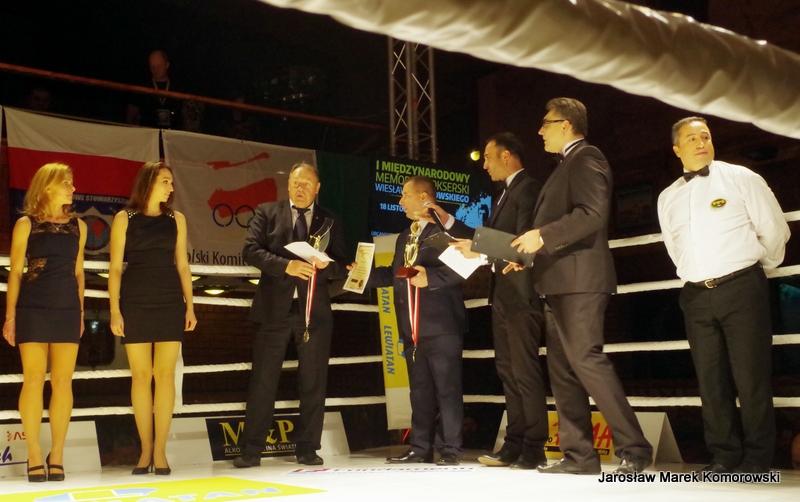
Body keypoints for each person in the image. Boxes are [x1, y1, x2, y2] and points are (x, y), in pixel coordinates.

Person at [511, 98, 653, 474]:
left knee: (587, 360)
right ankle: (579, 455)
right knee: (563, 370)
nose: (540, 131)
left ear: (566, 124)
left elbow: (591, 214)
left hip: (580, 281)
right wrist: (528, 254)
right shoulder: (565, 164)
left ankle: (635, 448)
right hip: (558, 281)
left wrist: (542, 235)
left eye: (545, 124)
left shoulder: (588, 157)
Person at [657, 117, 790, 474]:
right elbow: (674, 247)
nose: (701, 142)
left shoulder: (741, 177)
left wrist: (754, 268)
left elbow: (774, 230)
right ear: (677, 149)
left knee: (751, 376)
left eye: (706, 136)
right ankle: (723, 455)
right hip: (695, 295)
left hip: (742, 287)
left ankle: (758, 458)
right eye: (691, 138)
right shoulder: (668, 197)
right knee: (710, 380)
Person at [233, 162, 347, 468]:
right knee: (263, 380)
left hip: (315, 312)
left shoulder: (330, 220)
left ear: (317, 188)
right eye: (296, 182)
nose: (301, 187)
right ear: (288, 185)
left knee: (314, 381)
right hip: (273, 309)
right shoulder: (267, 212)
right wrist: (287, 266)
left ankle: (308, 448)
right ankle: (251, 449)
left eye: (307, 183)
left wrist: (328, 265)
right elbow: (250, 250)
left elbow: (342, 265)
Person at [451, 133, 548, 469]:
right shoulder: (503, 194)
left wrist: (478, 248)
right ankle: (513, 444)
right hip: (503, 295)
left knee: (525, 371)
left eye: (488, 157)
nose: (485, 165)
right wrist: (474, 246)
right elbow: (497, 241)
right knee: (507, 371)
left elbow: (522, 243)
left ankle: (534, 447)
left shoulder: (529, 189)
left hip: (521, 293)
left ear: (507, 156)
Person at [361, 176, 472, 466]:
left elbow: (465, 264)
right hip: (411, 326)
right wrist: (360, 274)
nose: (400, 201)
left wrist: (430, 278)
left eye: (405, 195)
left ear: (424, 197)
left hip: (442, 324)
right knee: (419, 391)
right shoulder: (405, 236)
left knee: (447, 389)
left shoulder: (446, 230)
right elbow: (395, 274)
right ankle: (419, 448)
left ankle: (450, 449)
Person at [108, 162, 197, 476]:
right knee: (141, 376)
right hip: (135, 299)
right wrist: (115, 309)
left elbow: (183, 265)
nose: (171, 188)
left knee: (166, 375)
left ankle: (160, 450)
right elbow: (115, 268)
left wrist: (190, 306)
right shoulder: (124, 218)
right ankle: (145, 448)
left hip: (169, 299)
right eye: (165, 181)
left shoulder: (177, 219)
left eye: (171, 182)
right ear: (149, 183)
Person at [3, 163, 87, 482]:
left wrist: (80, 313)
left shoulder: (78, 226)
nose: (72, 188)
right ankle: (34, 453)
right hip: (33, 306)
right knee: (34, 379)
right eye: (66, 183)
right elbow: (15, 273)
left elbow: (79, 273)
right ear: (47, 186)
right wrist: (10, 316)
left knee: (63, 382)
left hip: (67, 307)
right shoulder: (26, 224)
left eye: (72, 183)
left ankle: (58, 454)